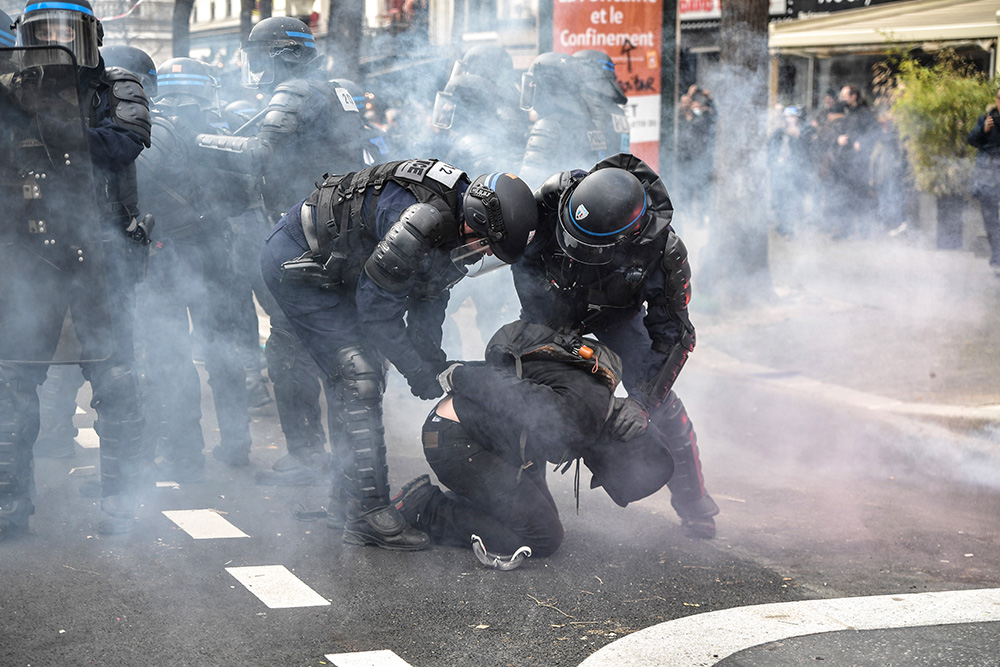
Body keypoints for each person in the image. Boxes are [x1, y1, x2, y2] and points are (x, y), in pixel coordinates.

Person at [259, 160, 537, 550]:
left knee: (358, 373)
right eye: (485, 245)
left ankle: (346, 500)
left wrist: (433, 364)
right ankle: (366, 513)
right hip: (301, 261)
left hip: (341, 270)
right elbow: (376, 314)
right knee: (358, 373)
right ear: (473, 222)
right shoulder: (421, 221)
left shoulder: (458, 226)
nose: (480, 257)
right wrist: (416, 372)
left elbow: (429, 296)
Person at [0, 0, 152, 538]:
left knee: (116, 378)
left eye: (68, 29)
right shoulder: (12, 86)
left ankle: (125, 502)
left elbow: (129, 140)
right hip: (27, 253)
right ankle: (7, 507)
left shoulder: (115, 84)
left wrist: (62, 136)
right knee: (12, 381)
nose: (58, 39)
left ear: (91, 33)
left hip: (100, 251)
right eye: (46, 31)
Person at [510, 153, 719, 539]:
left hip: (616, 317)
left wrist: (642, 401)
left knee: (664, 409)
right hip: (551, 305)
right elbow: (520, 254)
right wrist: (542, 317)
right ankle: (528, 506)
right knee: (528, 394)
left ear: (629, 237)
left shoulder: (664, 253)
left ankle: (695, 504)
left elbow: (676, 336)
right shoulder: (553, 197)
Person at [197, 17, 369, 478]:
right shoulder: (337, 91)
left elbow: (259, 153)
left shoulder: (295, 91)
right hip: (344, 232)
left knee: (291, 345)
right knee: (342, 346)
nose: (254, 67)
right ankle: (355, 463)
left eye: (258, 56)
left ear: (280, 54)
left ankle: (308, 458)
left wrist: (198, 140)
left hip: (307, 232)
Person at [392, 321, 674, 562]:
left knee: (540, 516)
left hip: (481, 439)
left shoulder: (598, 400)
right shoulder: (581, 416)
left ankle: (446, 504)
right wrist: (456, 374)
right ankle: (426, 508)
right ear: (618, 453)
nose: (594, 471)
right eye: (603, 472)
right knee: (543, 537)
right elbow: (508, 392)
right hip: (456, 439)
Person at [133, 57, 253, 481]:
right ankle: (236, 444)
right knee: (222, 350)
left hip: (169, 253)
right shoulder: (224, 131)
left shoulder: (157, 128)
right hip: (218, 251)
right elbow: (244, 193)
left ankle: (185, 454)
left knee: (171, 353)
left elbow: (137, 184)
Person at [519, 50, 629, 189]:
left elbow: (529, 182)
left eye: (534, 84)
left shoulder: (550, 124)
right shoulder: (592, 122)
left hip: (555, 204)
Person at [966, 86, 1000, 270]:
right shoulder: (987, 119)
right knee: (991, 222)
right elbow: (971, 139)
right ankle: (997, 259)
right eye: (999, 98)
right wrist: (983, 130)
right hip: (988, 178)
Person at [767, 106, 813, 238]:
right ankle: (783, 225)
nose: (791, 119)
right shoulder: (778, 133)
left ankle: (792, 229)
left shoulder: (803, 133)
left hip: (795, 172)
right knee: (781, 199)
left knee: (794, 200)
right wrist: (774, 163)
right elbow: (770, 150)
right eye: (788, 117)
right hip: (780, 171)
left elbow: (807, 152)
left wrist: (798, 137)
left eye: (793, 117)